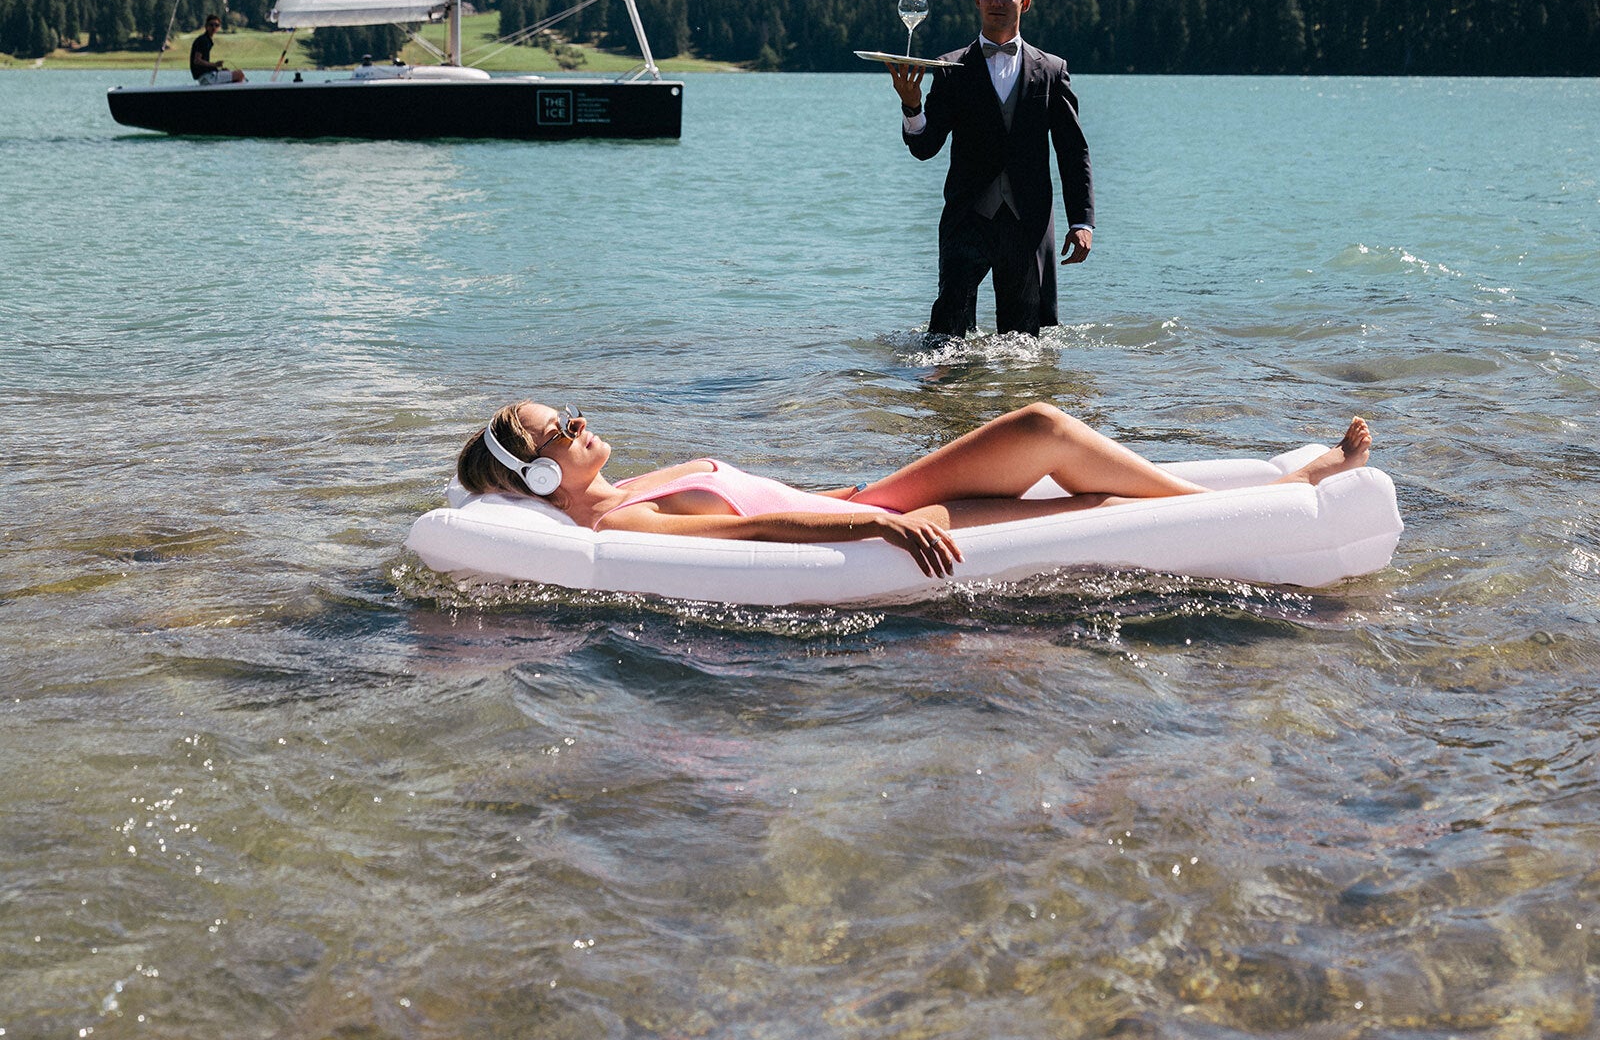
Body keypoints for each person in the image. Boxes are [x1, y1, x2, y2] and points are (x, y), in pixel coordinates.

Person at [458, 399, 1375, 581]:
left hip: (870, 497)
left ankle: (1282, 481)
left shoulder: (633, 481)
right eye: (558, 431)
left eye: (568, 413)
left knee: (1052, 450)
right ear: (539, 474)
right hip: (875, 522)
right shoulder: (625, 519)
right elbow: (749, 536)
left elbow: (756, 494)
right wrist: (882, 532)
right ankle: (1288, 488)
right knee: (1047, 438)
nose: (579, 424)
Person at [886, 0, 1092, 340]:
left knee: (1025, 343)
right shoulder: (949, 67)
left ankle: (1022, 401)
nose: (997, 1)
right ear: (977, 1)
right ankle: (947, 400)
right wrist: (912, 105)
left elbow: (1072, 151)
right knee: (945, 338)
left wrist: (1081, 221)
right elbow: (925, 147)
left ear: (1024, 3)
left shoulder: (1051, 69)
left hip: (1027, 222)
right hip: (967, 219)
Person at [189, 14, 244, 85]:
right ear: (206, 26)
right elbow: (197, 61)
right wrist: (214, 65)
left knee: (228, 72)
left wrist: (217, 69)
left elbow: (204, 64)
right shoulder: (203, 40)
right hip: (206, 77)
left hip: (206, 76)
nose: (214, 27)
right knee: (240, 75)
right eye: (211, 25)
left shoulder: (207, 40)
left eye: (216, 25)